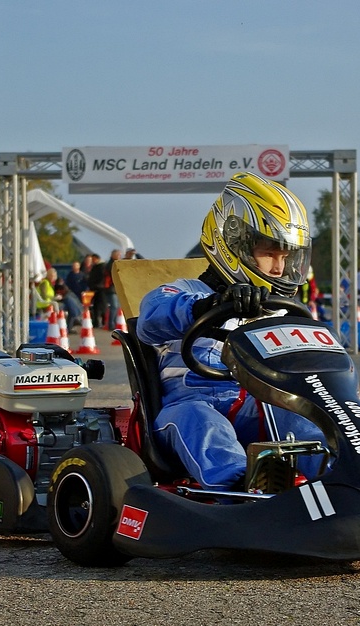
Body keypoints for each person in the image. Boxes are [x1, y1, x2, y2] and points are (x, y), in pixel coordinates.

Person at [136, 172, 324, 490]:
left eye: (285, 256)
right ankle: (238, 489)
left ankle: (335, 480)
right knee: (203, 422)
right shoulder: (184, 292)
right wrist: (208, 306)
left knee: (299, 412)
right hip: (186, 409)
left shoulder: (280, 311)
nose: (279, 267)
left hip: (249, 405)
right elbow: (149, 322)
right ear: (234, 243)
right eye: (269, 253)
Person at [103, 248, 122, 329]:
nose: (120, 257)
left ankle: (113, 323)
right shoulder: (112, 264)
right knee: (114, 307)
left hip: (113, 288)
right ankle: (111, 324)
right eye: (118, 255)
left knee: (116, 307)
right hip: (111, 289)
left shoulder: (111, 263)